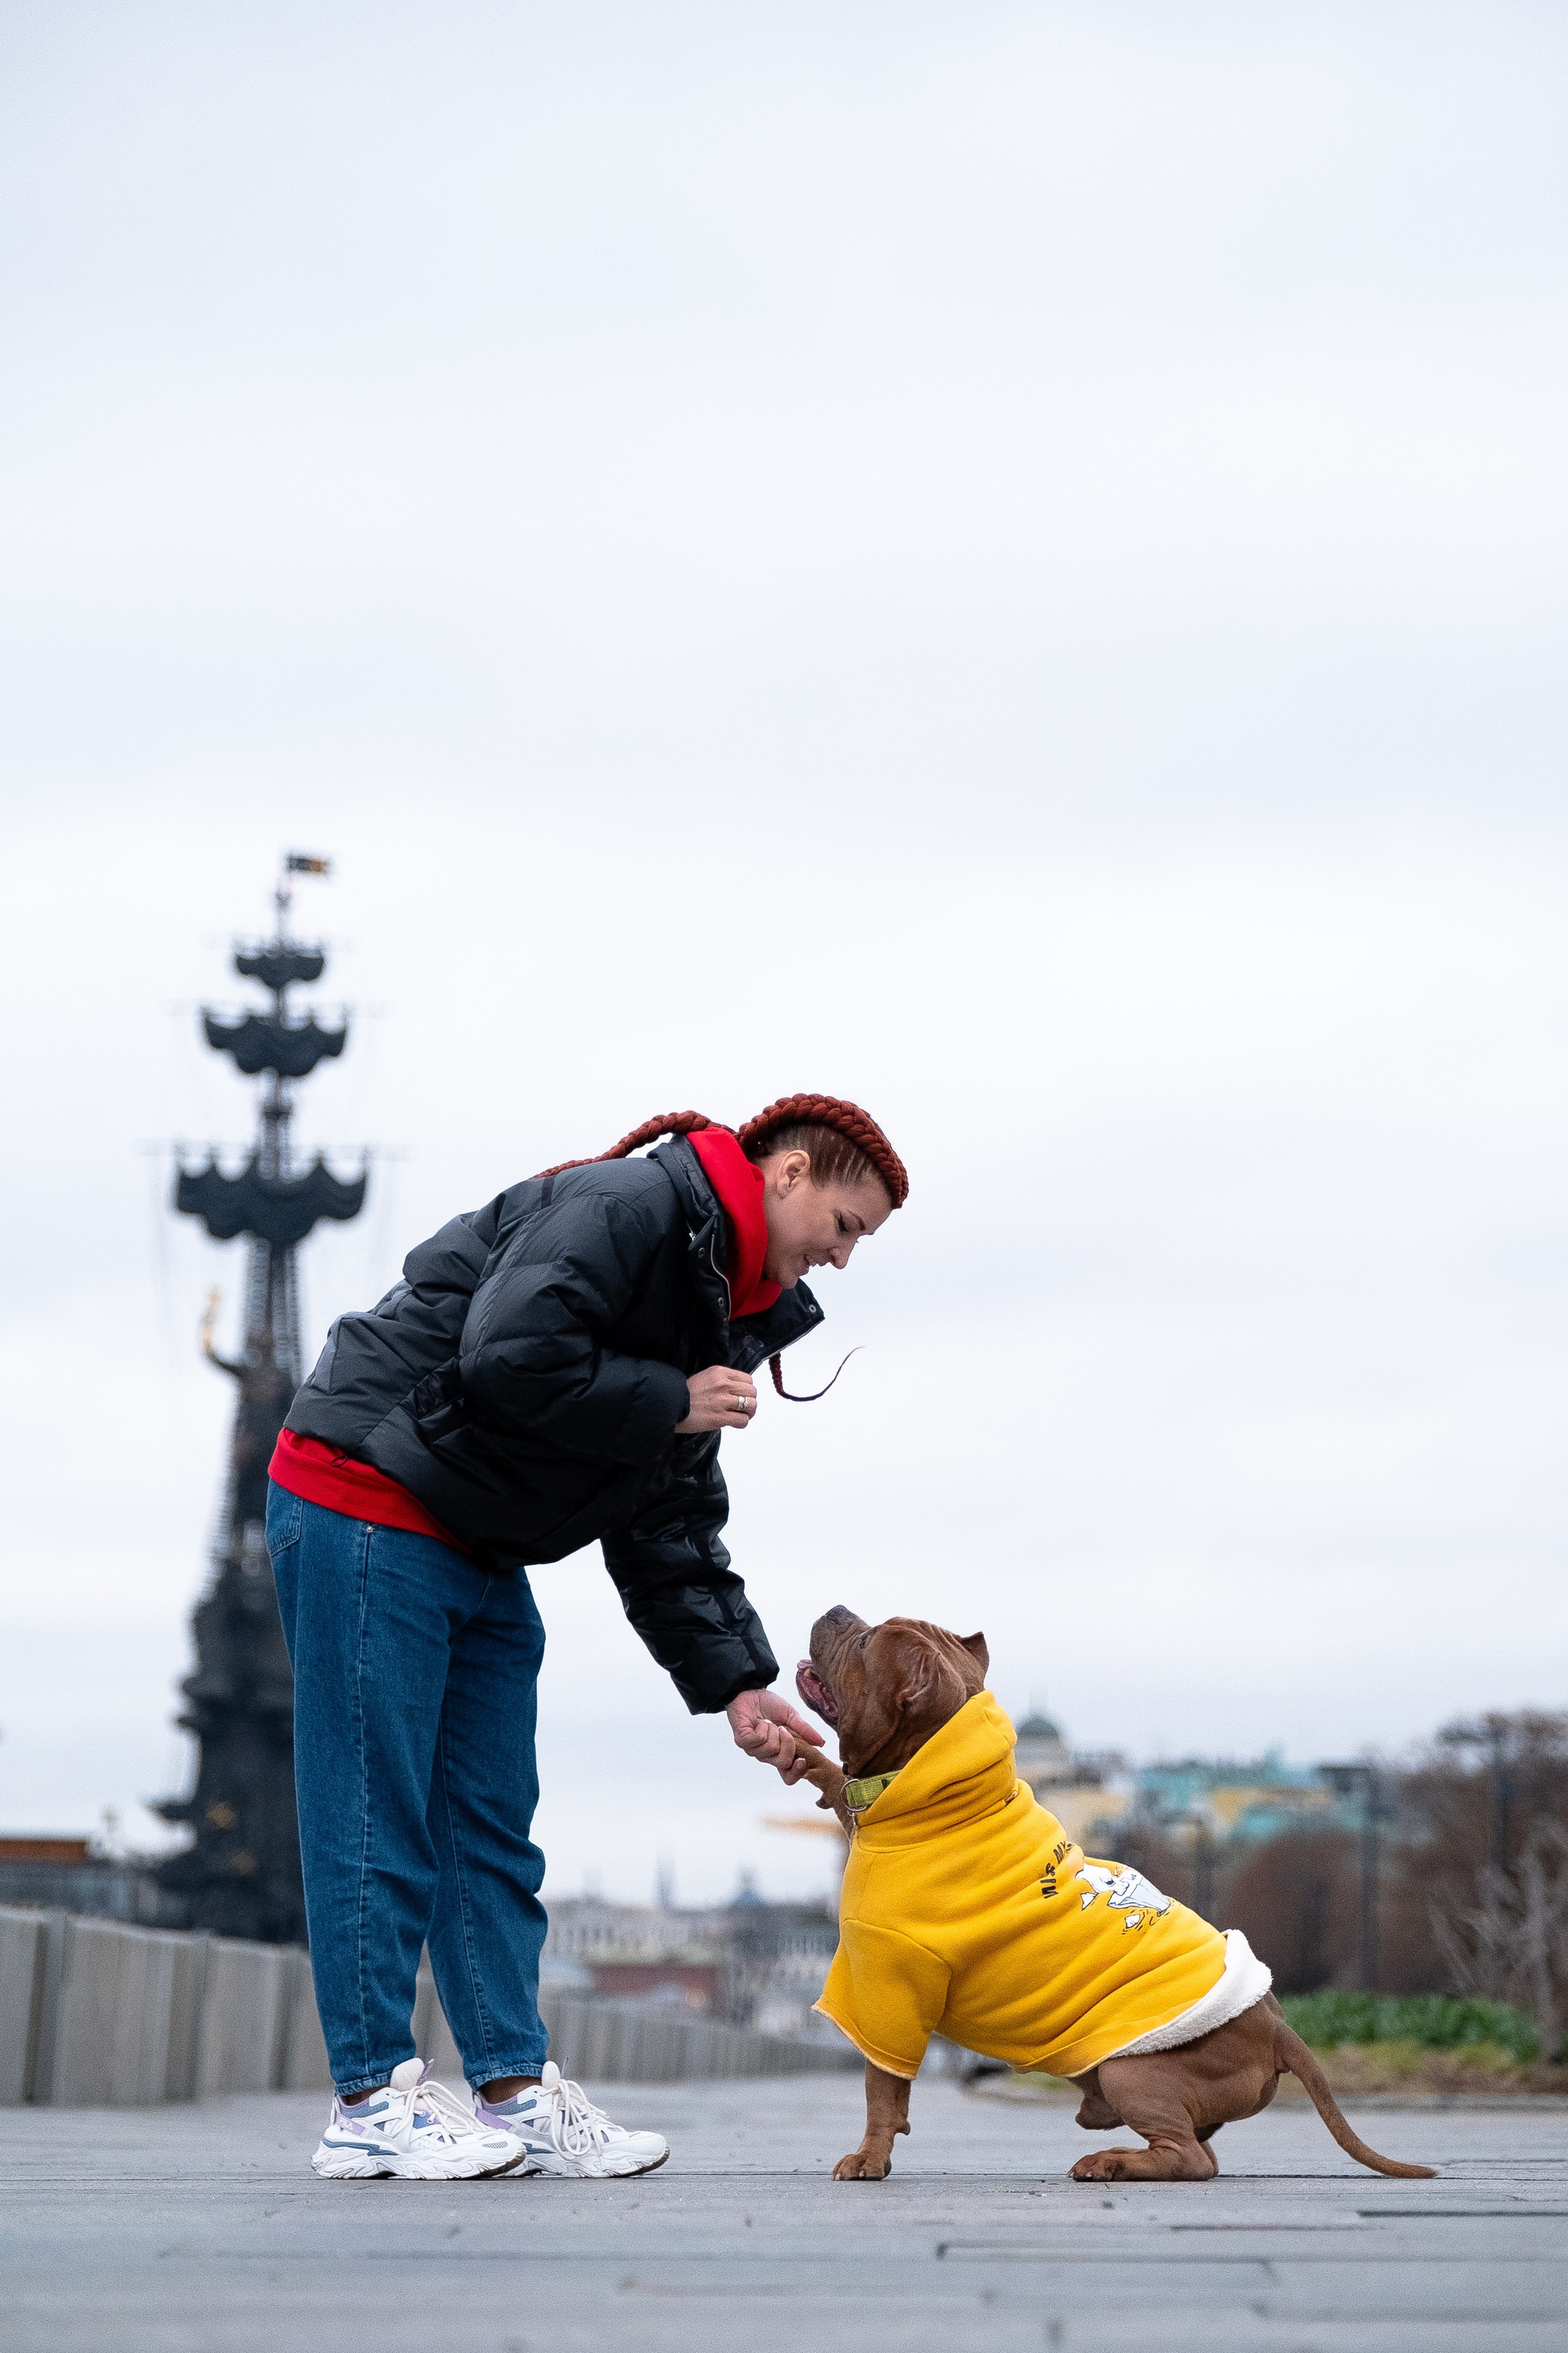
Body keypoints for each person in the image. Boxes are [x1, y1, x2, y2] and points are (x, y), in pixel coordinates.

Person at [265, 1093, 907, 2180]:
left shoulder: (716, 1305)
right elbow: (506, 1351)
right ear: (789, 1174)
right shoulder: (629, 1206)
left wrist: (739, 1684)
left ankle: (511, 2093)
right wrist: (666, 1397)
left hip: (472, 1527)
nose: (843, 1260)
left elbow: (665, 1517)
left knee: (490, 1821)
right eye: (846, 1227)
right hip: (363, 1488)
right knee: (375, 1807)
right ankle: (369, 2101)